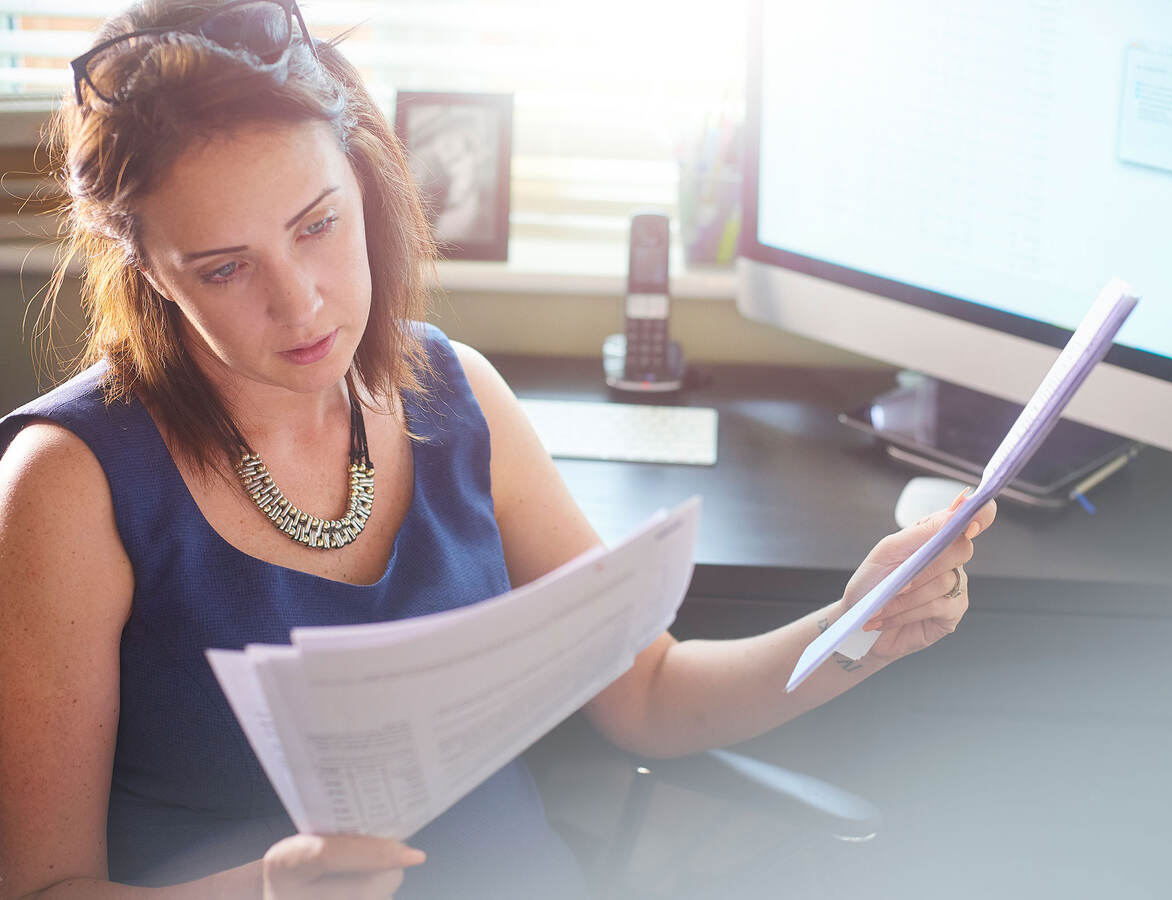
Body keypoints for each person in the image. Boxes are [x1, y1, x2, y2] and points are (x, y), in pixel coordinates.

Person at [0, 1, 997, 898]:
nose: (298, 302)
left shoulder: (454, 391)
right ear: (150, 272)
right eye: (224, 270)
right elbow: (42, 887)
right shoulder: (67, 486)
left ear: (364, 183)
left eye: (318, 226)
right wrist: (263, 895)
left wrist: (857, 630)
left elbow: (647, 692)